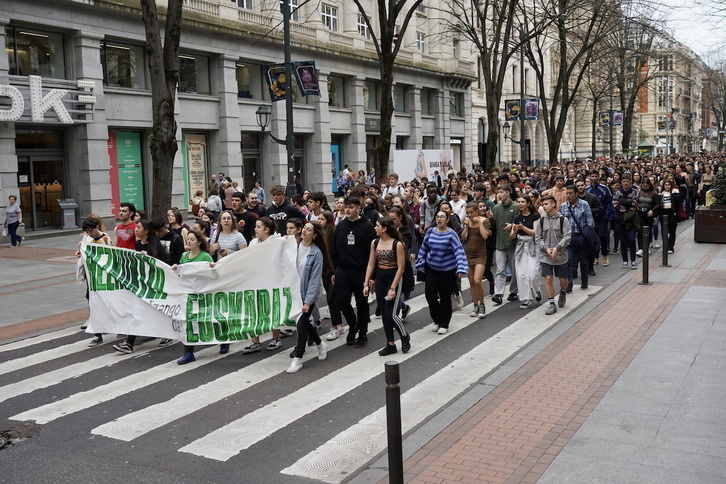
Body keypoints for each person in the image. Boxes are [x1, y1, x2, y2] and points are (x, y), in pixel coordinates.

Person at [331, 196, 376, 347]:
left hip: (361, 270)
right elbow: (334, 249)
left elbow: (372, 251)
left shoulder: (367, 226)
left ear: (358, 208)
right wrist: (334, 270)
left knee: (361, 303)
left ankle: (362, 333)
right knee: (341, 300)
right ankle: (353, 325)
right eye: (346, 207)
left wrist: (372, 276)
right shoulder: (341, 226)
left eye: (351, 207)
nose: (348, 210)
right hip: (343, 269)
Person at [287, 222, 331, 373]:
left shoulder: (316, 253)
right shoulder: (294, 247)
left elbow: (314, 280)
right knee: (303, 323)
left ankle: (298, 358)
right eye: (305, 228)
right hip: (294, 292)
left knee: (301, 324)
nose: (305, 231)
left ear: (315, 235)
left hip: (307, 295)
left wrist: (308, 302)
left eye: (309, 229)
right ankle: (320, 344)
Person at [364, 217, 411, 356]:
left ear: (384, 228)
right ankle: (390, 344)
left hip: (393, 278)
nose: (374, 228)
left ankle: (404, 336)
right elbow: (371, 264)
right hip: (380, 278)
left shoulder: (397, 244)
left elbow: (401, 268)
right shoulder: (375, 242)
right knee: (384, 314)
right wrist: (366, 283)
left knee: (391, 314)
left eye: (377, 226)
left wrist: (393, 288)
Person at [416, 210, 468, 335]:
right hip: (432, 268)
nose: (439, 219)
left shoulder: (451, 234)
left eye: (442, 217)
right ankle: (437, 320)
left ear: (447, 220)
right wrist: (420, 263)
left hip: (448, 269)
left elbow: (459, 251)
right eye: (438, 217)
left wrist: (461, 268)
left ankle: (444, 324)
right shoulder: (430, 232)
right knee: (430, 295)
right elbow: (424, 248)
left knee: (445, 296)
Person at [173, 229, 216, 364]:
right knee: (188, 321)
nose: (189, 241)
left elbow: (213, 274)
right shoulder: (184, 256)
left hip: (202, 293)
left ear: (198, 242)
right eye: (188, 239)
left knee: (207, 318)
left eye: (192, 239)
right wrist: (176, 268)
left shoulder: (205, 257)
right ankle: (189, 352)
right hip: (188, 294)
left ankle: (223, 341)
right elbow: (181, 273)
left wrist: (212, 267)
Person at [243, 217, 284, 353]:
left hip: (272, 281)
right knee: (254, 310)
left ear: (266, 229)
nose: (255, 229)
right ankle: (255, 341)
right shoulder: (253, 242)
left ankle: (275, 338)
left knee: (272, 309)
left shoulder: (277, 242)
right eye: (255, 226)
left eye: (258, 227)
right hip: (255, 280)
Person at [78, 216, 113, 346]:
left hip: (102, 275)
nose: (89, 234)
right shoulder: (87, 238)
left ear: (97, 227)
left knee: (106, 301)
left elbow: (111, 255)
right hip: (91, 274)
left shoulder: (105, 239)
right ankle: (97, 334)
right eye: (87, 231)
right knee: (93, 300)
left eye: (90, 231)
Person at [535, 195, 571, 315]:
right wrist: (546, 249)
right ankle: (551, 303)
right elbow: (538, 238)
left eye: (546, 204)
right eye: (543, 205)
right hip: (546, 255)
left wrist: (557, 248)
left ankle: (563, 291)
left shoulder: (563, 220)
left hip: (560, 255)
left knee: (563, 279)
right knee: (548, 278)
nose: (544, 207)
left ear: (554, 204)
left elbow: (567, 237)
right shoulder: (541, 221)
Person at [561, 185, 595, 290]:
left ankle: (584, 280)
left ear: (576, 194)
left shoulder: (584, 205)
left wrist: (586, 233)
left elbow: (590, 222)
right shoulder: (563, 206)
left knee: (583, 260)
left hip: (581, 237)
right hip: (568, 237)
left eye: (570, 193)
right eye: (567, 193)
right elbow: (560, 222)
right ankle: (569, 283)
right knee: (568, 261)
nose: (568, 195)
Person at [509, 193, 541, 308]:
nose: (520, 204)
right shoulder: (517, 217)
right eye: (518, 202)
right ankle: (527, 298)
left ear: (528, 203)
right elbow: (512, 236)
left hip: (533, 246)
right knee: (522, 274)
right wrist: (513, 229)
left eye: (522, 202)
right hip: (521, 246)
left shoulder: (535, 216)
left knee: (533, 273)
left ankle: (537, 290)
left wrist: (523, 228)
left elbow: (535, 232)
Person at [491, 184, 520, 305]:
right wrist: (491, 220)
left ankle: (514, 291)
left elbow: (521, 224)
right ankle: (498, 293)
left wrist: (513, 227)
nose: (499, 194)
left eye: (502, 192)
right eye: (499, 192)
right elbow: (493, 227)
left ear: (508, 192)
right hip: (500, 243)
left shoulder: (517, 207)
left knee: (514, 270)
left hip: (514, 243)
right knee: (500, 270)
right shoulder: (496, 208)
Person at [461, 202, 491, 319]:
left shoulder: (484, 221)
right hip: (469, 254)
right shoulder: (467, 222)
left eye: (471, 212)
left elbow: (485, 236)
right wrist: (466, 226)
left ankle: (482, 304)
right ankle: (475, 305)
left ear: (476, 211)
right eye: (467, 213)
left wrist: (479, 223)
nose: (469, 215)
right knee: (471, 281)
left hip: (480, 254)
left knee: (477, 280)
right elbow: (462, 237)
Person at [613, 174, 640, 269]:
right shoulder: (617, 192)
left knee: (632, 239)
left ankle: (633, 260)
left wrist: (623, 201)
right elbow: (615, 205)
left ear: (630, 182)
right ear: (621, 182)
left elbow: (634, 204)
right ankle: (625, 260)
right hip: (620, 219)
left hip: (631, 219)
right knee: (623, 240)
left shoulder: (634, 191)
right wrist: (627, 203)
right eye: (624, 181)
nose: (625, 183)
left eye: (627, 181)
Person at [659, 179, 682, 254]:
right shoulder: (661, 193)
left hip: (672, 213)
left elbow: (679, 201)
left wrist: (676, 193)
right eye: (665, 185)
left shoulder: (675, 193)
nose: (667, 186)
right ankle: (665, 245)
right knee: (664, 231)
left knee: (672, 231)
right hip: (663, 213)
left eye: (669, 185)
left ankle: (670, 246)